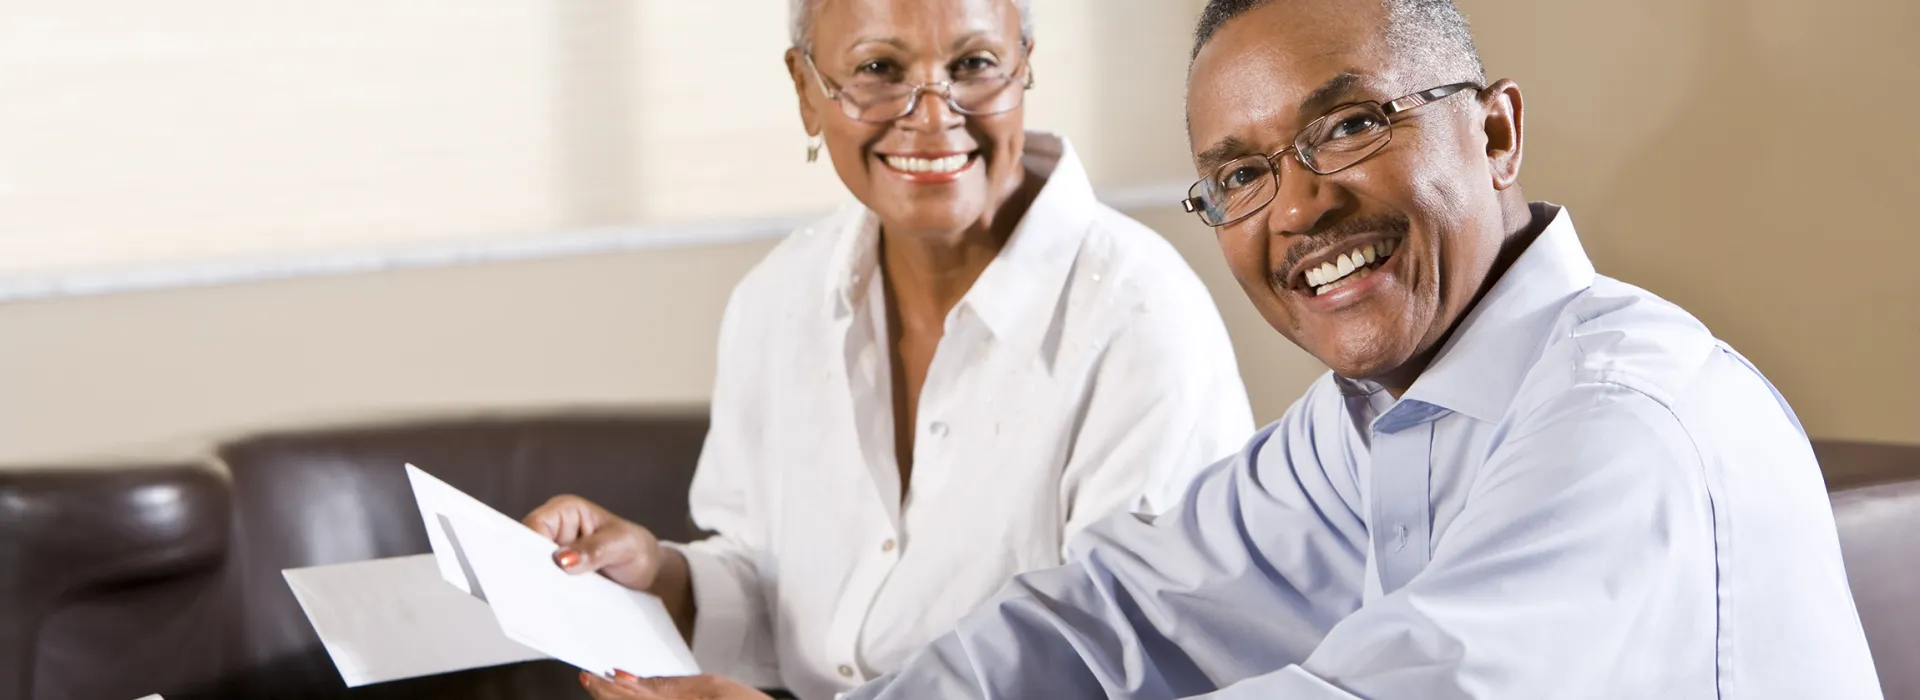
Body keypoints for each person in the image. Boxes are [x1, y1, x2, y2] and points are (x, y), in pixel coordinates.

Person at [589, 0, 1884, 698]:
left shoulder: (1623, 422)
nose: (1301, 207)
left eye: (1349, 127)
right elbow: (1110, 614)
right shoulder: (1367, 419)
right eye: (1244, 174)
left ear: (1494, 134)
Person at [541, 0, 1255, 698]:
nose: (934, 114)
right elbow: (772, 582)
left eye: (974, 63)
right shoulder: (777, 299)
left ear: (1024, 67)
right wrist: (663, 577)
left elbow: (1134, 662)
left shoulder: (1142, 318)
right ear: (805, 90)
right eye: (879, 67)